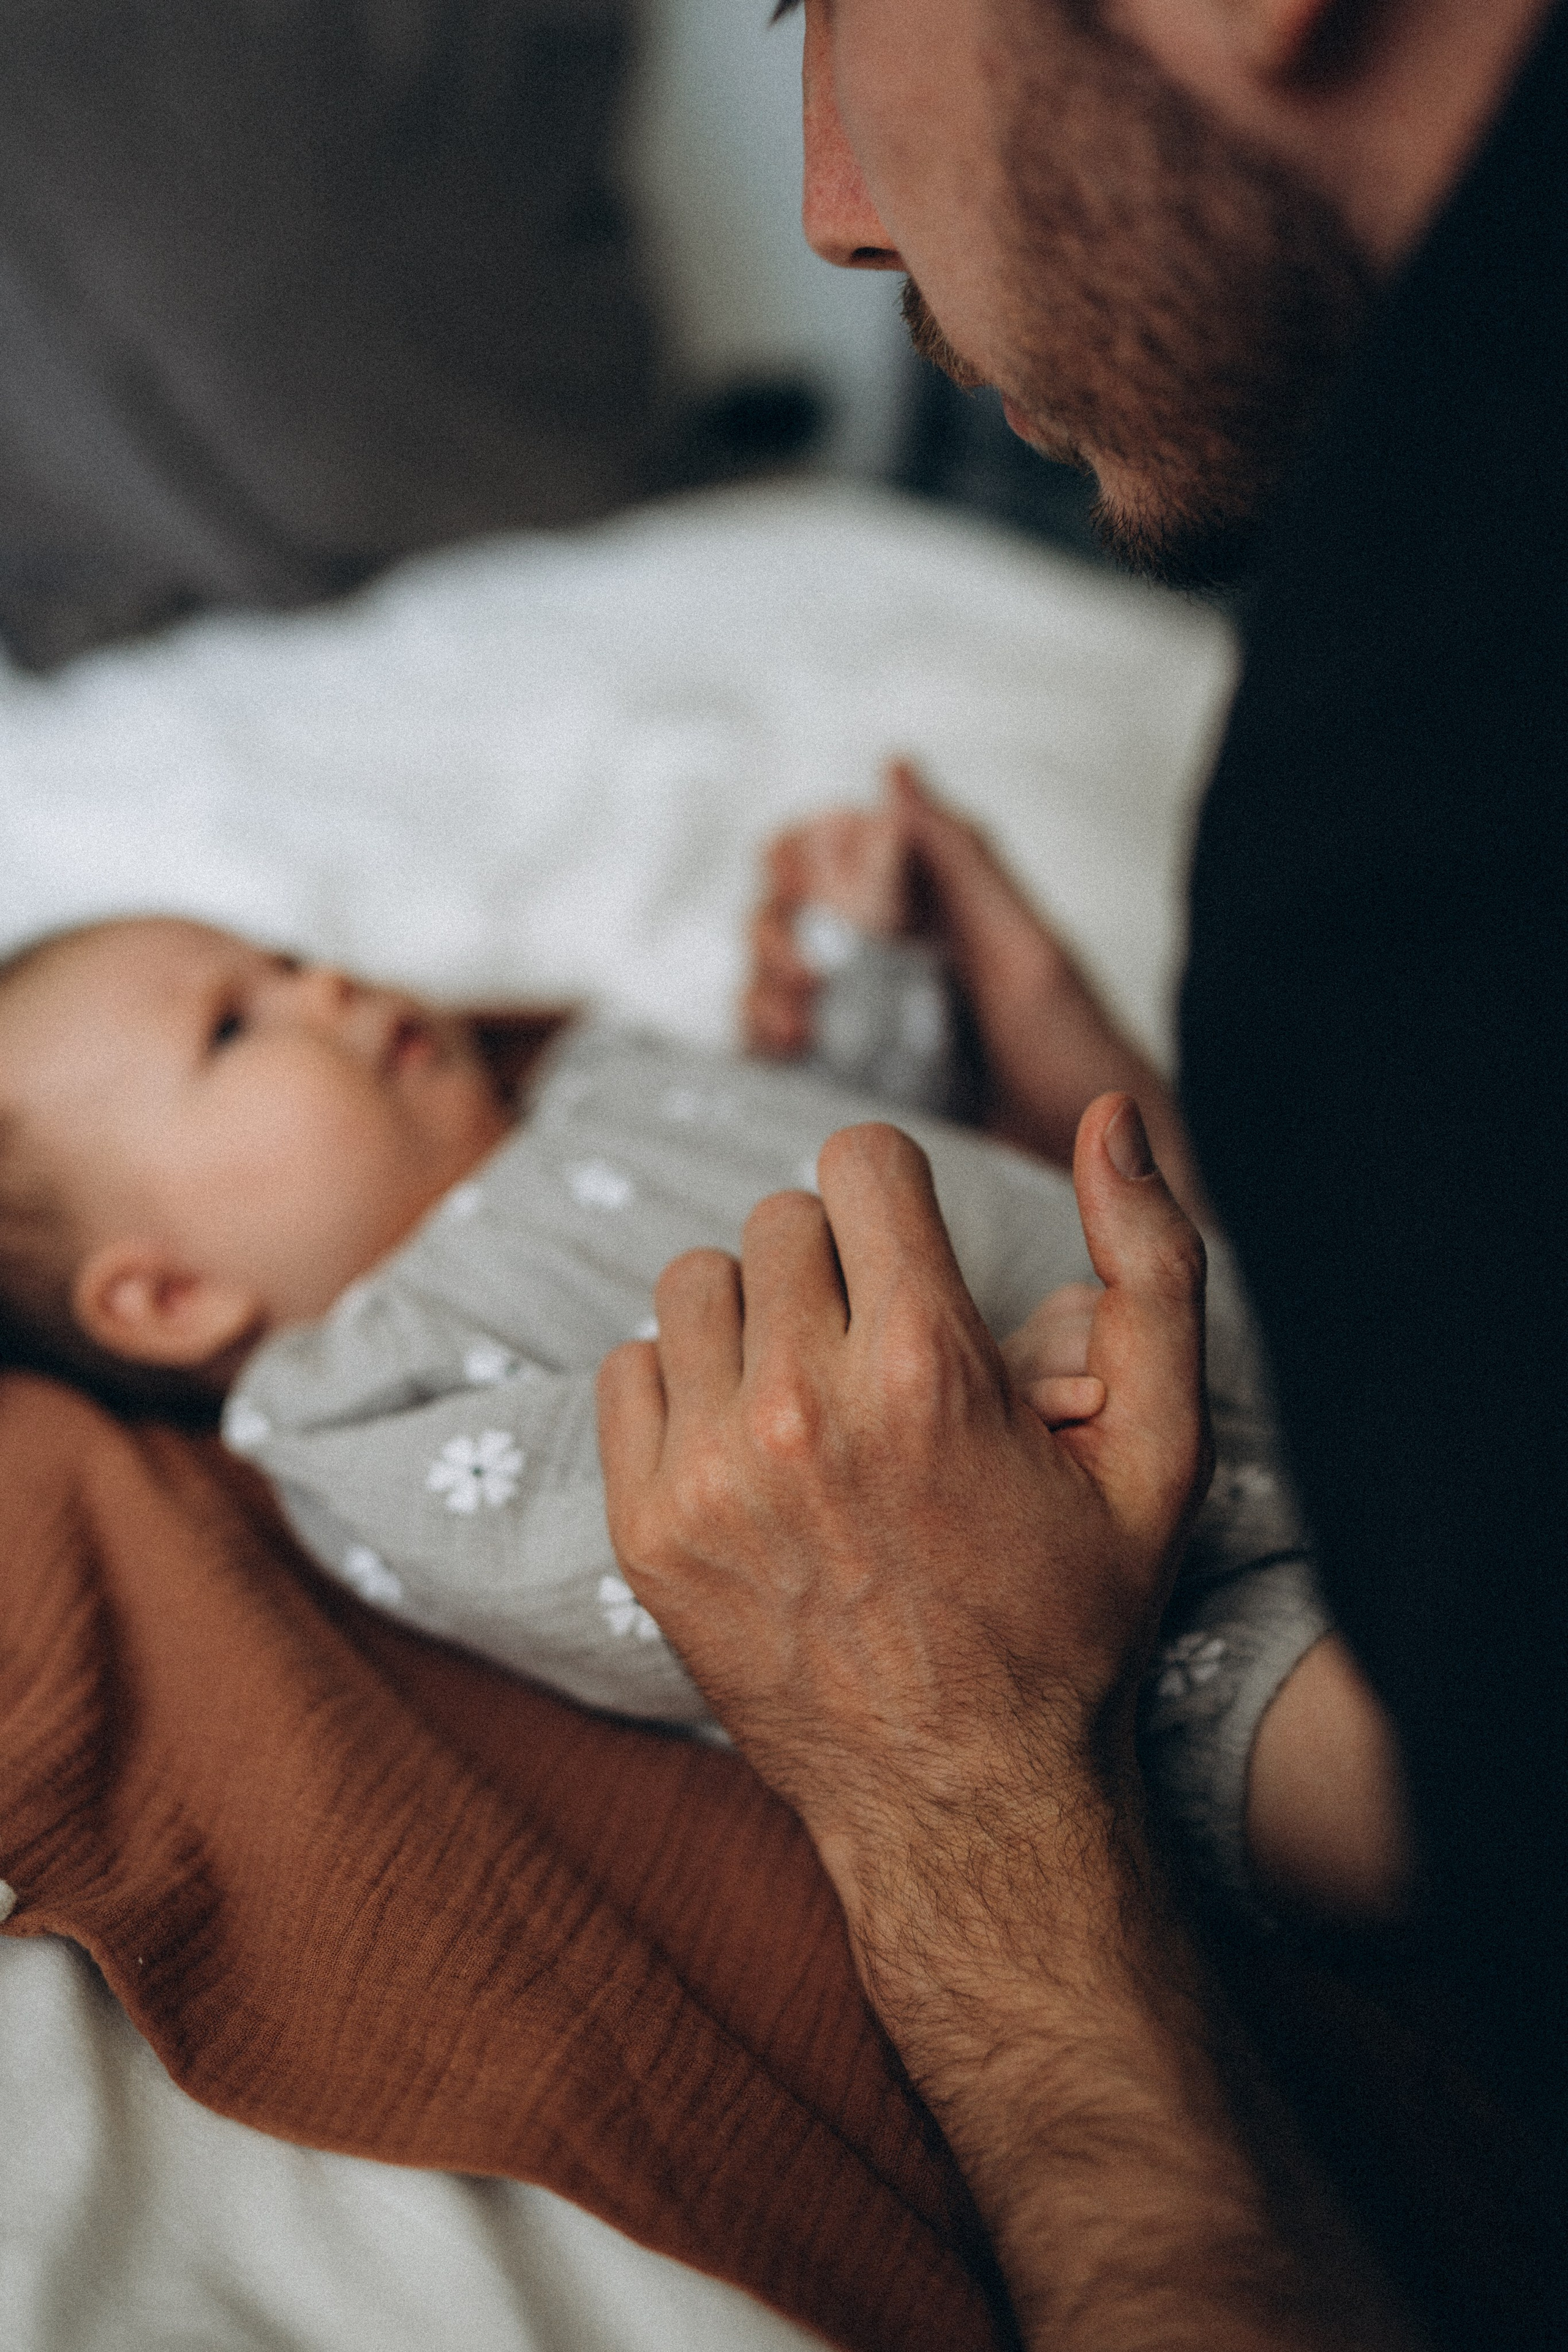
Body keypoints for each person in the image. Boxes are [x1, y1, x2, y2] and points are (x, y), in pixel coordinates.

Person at [592, 1, 1568, 2345]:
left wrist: (953, 1795)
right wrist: (1229, 1173)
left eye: (823, 10)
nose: (833, 201)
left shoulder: (1430, 800)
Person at [0, 817, 1375, 1928]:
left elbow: (876, 1132)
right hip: (1144, 1641)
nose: (325, 986)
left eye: (289, 955)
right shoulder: (360, 1411)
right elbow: (670, 1564)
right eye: (234, 1028)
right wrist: (970, 1403)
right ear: (171, 1297)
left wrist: (877, 970)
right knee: (1400, 1780)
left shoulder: (587, 1079)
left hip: (1273, 1342)